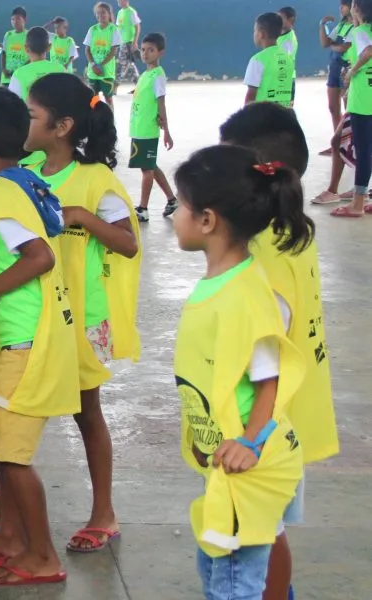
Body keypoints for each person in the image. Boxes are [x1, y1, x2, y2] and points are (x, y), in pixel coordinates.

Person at [170, 144, 311, 600]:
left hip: (247, 464)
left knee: (233, 583)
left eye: (180, 206)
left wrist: (249, 443)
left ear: (207, 220)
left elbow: (269, 382)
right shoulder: (223, 283)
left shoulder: (247, 298)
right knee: (216, 566)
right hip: (225, 459)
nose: (174, 214)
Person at [219, 102, 339, 600]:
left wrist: (251, 435)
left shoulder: (258, 253)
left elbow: (267, 350)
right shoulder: (293, 229)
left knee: (262, 530)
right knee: (265, 527)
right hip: (288, 413)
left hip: (265, 422)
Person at [0, 88, 76, 586]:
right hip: (21, 336)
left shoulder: (2, 193)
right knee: (3, 445)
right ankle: (9, 535)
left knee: (12, 454)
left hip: (26, 341)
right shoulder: (18, 181)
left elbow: (39, 257)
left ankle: (43, 556)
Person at [23, 72, 141, 554]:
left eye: (31, 115)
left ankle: (104, 512)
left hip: (83, 316)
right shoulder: (27, 170)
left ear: (63, 125)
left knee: (85, 411)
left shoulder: (96, 180)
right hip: (35, 311)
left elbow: (128, 244)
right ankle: (9, 496)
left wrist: (80, 217)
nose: (23, 122)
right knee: (20, 403)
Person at [129, 32, 177, 221]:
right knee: (150, 165)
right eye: (143, 49)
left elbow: (161, 103)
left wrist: (167, 132)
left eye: (151, 50)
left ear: (160, 53)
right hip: (139, 128)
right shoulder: (146, 75)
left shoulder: (158, 75)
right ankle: (172, 200)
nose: (145, 53)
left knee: (146, 170)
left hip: (148, 130)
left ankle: (143, 208)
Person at [332, 0, 372, 216]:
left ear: (357, 9)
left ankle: (357, 203)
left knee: (364, 151)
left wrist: (352, 71)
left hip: (364, 100)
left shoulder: (359, 32)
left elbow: (368, 51)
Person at [245, 13, 295, 107]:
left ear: (261, 34)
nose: (254, 34)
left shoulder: (257, 60)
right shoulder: (288, 59)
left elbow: (251, 95)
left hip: (263, 115)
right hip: (284, 114)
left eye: (255, 31)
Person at [322, 1, 356, 135]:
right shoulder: (341, 25)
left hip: (346, 68)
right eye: (339, 6)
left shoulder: (356, 27)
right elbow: (325, 43)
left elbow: (343, 47)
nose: (340, 8)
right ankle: (338, 139)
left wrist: (333, 45)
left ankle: (351, 141)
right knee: (332, 107)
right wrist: (322, 25)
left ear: (352, 7)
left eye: (343, 5)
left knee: (349, 108)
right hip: (334, 67)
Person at [7, 27, 64, 100]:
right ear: (49, 47)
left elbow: (12, 104)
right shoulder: (61, 70)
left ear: (26, 48)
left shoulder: (19, 74)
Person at [84, 2, 120, 110]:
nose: (100, 15)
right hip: (93, 72)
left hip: (107, 73)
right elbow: (87, 49)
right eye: (98, 13)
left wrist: (101, 65)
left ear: (109, 14)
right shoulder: (92, 29)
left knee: (108, 98)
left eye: (103, 12)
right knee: (94, 98)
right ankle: (94, 118)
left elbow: (113, 51)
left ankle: (110, 120)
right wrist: (93, 64)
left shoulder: (113, 30)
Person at [113, 0, 141, 91]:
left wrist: (135, 42)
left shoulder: (131, 12)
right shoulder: (120, 12)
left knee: (122, 64)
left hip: (129, 42)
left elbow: (137, 27)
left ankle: (115, 85)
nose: (119, 1)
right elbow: (118, 28)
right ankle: (139, 85)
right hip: (122, 42)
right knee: (130, 64)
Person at [1, 6, 29, 84]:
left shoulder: (29, 35)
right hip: (7, 78)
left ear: (25, 20)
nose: (15, 22)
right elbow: (4, 53)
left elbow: (32, 58)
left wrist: (19, 71)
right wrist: (3, 69)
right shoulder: (8, 35)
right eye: (13, 19)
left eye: (18, 19)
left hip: (22, 78)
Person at [278, 6, 299, 105]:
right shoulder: (279, 35)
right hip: (278, 78)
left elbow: (284, 61)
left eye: (281, 18)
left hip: (286, 80)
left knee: (285, 110)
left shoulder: (289, 39)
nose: (278, 21)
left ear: (291, 20)